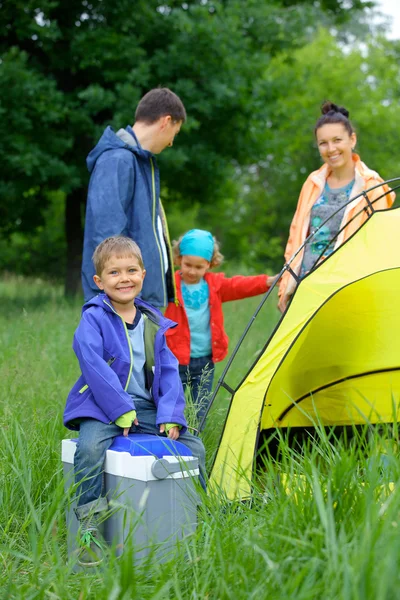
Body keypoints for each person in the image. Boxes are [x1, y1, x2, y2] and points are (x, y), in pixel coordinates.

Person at [64, 236, 206, 567]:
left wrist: (170, 415)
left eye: (131, 270)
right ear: (99, 281)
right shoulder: (94, 318)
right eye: (114, 273)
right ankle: (88, 530)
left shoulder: (153, 322)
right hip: (100, 407)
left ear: (143, 274)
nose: (124, 278)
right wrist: (120, 411)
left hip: (143, 408)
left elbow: (169, 372)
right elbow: (94, 365)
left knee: (193, 447)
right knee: (88, 448)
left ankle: (198, 512)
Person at [278, 101, 395, 313]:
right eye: (323, 143)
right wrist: (286, 283)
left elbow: (379, 247)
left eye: (337, 140)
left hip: (345, 291)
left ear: (352, 139)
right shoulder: (313, 182)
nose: (331, 149)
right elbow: (295, 236)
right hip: (305, 287)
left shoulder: (372, 187)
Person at [81, 87, 186, 307]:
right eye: (174, 134)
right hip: (125, 303)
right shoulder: (117, 160)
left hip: (140, 300)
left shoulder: (140, 163)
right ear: (165, 122)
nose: (171, 143)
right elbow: (106, 237)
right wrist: (121, 302)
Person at [164, 229, 277, 426]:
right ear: (178, 259)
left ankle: (197, 442)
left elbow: (238, 285)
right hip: (175, 359)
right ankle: (171, 443)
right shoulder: (169, 285)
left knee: (200, 410)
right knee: (173, 408)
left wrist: (267, 282)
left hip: (205, 361)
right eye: (187, 264)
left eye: (199, 267)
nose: (192, 271)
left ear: (210, 264)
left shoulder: (215, 285)